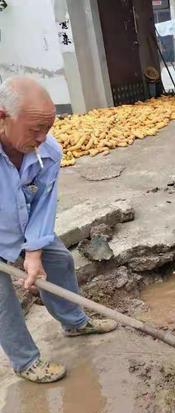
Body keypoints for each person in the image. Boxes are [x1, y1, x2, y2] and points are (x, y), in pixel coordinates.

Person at [0, 77, 117, 384]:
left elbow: (43, 204)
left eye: (47, 129)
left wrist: (34, 252)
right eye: (34, 130)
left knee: (59, 260)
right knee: (2, 301)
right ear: (3, 117)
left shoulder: (47, 151)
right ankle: (26, 361)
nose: (41, 138)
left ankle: (74, 322)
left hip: (23, 225)